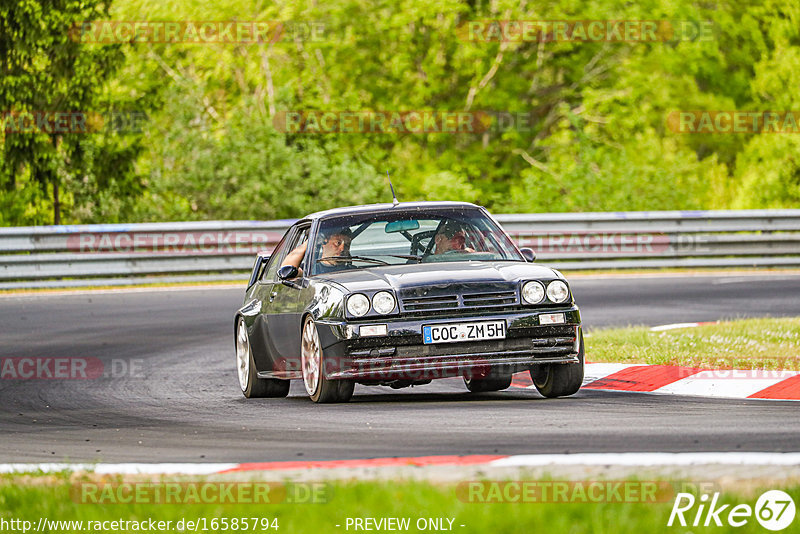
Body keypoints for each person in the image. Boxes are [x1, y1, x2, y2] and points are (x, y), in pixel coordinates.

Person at [281, 227, 353, 275]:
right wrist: (310, 241)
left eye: (346, 245)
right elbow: (286, 270)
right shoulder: (309, 270)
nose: (342, 249)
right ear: (324, 242)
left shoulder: (353, 271)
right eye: (338, 243)